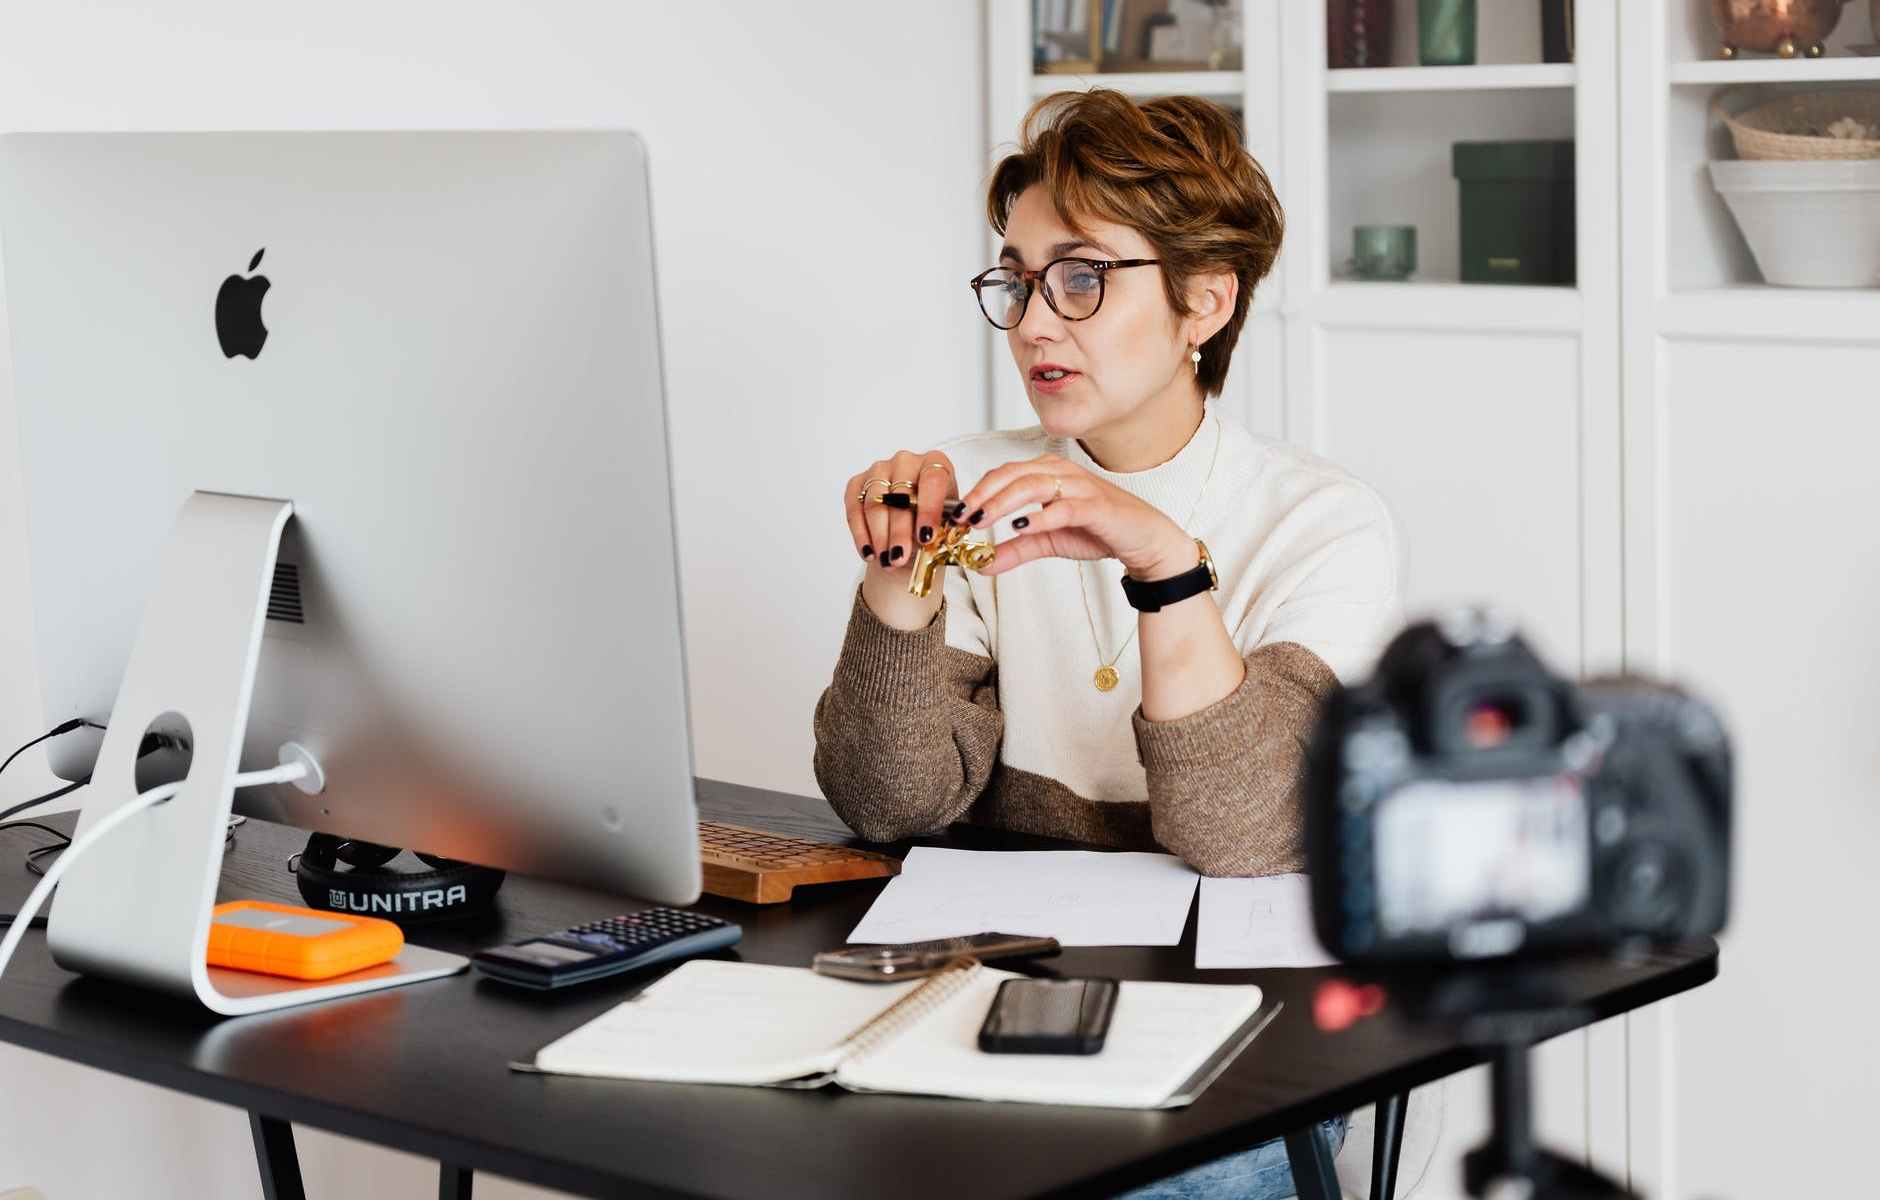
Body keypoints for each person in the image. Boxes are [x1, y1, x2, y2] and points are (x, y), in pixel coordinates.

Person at [813, 90, 1400, 1197]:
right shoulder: (971, 484)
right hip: (996, 1005)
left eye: (1080, 278)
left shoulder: (1322, 523)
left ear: (1204, 301)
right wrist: (897, 580)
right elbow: (888, 802)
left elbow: (1243, 834)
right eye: (1017, 281)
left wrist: (1163, 565)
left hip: (1247, 1041)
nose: (1034, 324)